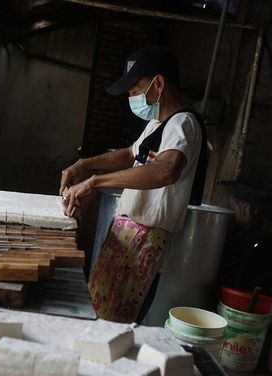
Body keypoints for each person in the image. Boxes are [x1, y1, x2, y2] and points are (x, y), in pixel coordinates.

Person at [60, 46, 207, 323]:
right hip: (126, 234)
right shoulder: (157, 124)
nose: (132, 97)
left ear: (159, 83)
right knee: (98, 314)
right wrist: (84, 164)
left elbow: (166, 171)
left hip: (145, 239)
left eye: (134, 90)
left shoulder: (183, 124)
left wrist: (95, 182)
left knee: (115, 324)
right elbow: (129, 153)